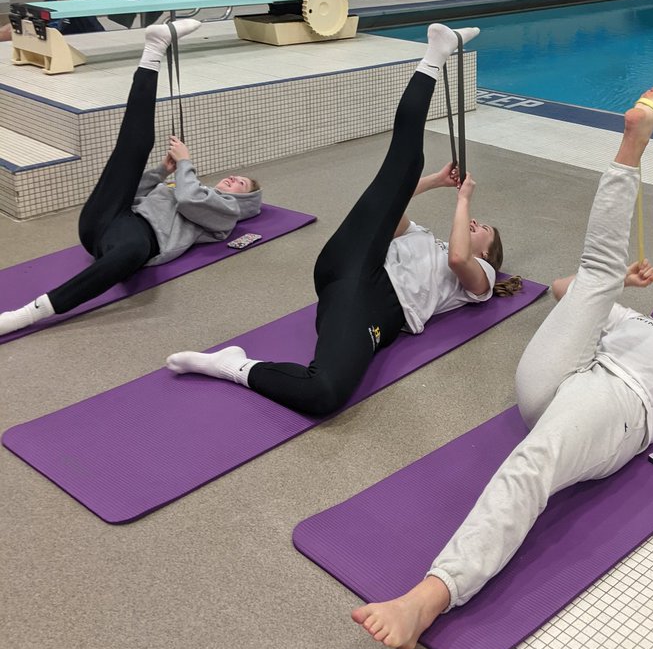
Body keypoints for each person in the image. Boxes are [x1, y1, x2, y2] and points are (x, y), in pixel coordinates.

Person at [351, 84, 653, 649]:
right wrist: (616, 288)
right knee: (594, 270)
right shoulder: (645, 323)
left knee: (530, 465)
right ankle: (630, 145)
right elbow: (565, 291)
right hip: (564, 377)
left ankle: (429, 597)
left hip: (617, 408)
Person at [166, 24, 518, 416]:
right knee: (406, 164)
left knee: (324, 394)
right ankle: (435, 55)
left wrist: (463, 201)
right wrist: (436, 182)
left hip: (371, 305)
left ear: (489, 252)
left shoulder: (482, 279)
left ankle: (231, 365)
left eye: (482, 229)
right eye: (476, 220)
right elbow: (391, 206)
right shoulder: (425, 237)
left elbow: (458, 259)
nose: (474, 224)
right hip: (351, 260)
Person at [0, 20, 262, 336]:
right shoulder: (187, 181)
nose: (233, 178)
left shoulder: (227, 214)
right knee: (136, 145)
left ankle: (28, 314)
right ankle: (153, 50)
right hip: (106, 219)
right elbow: (134, 191)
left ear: (245, 200)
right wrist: (163, 171)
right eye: (235, 176)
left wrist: (185, 165)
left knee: (132, 253)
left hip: (138, 238)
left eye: (241, 183)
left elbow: (189, 199)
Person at [0, 0, 104, 42]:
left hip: (65, 40)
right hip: (46, 35)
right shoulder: (50, 0)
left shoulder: (81, 7)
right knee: (12, 27)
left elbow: (99, 31)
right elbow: (34, 19)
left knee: (11, 32)